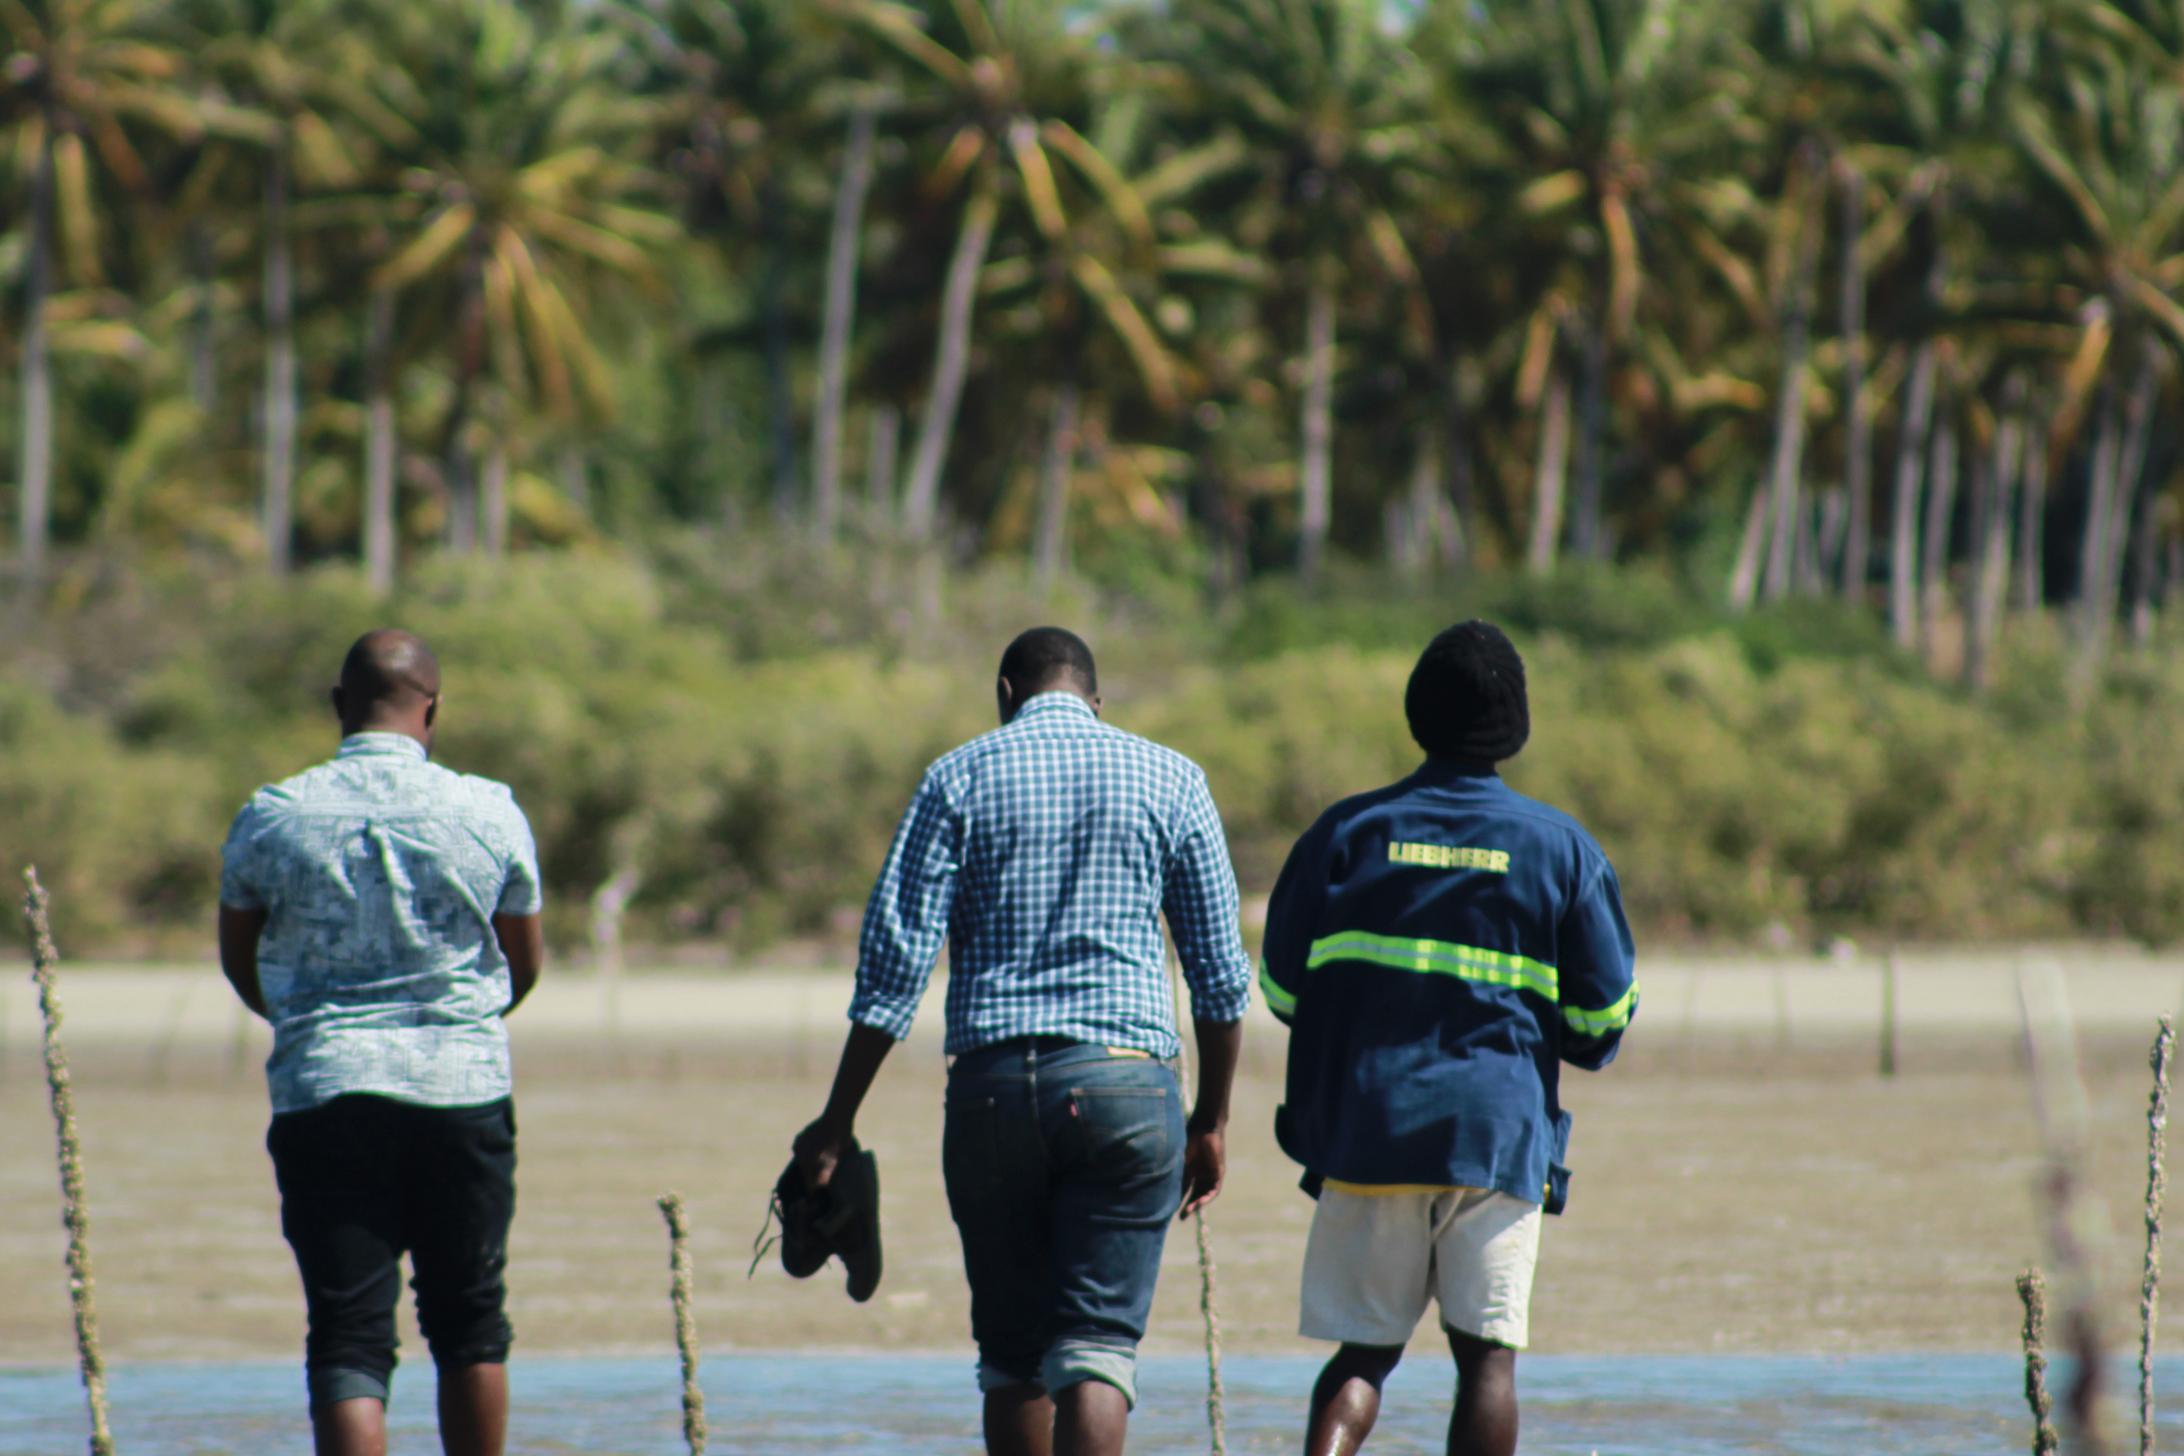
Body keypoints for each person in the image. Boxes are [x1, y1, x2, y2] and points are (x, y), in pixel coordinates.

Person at [793, 626, 1252, 1456]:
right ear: (1096, 700)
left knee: (1013, 1359)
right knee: (1099, 1349)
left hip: (992, 1092)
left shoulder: (956, 776)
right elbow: (1221, 979)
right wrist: (1211, 1120)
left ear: (1006, 694)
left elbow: (893, 972)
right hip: (1127, 1086)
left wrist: (835, 1124)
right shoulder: (1174, 778)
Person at [1259, 621, 1637, 1456]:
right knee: (1487, 1365)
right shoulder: (1561, 848)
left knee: (1363, 1355)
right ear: (1516, 724)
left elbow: (1283, 990)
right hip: (1497, 1139)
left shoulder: (1344, 833)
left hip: (1368, 1131)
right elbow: (1602, 1023)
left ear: (1416, 712)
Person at [217, 629, 545, 1456]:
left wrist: (309, 1023)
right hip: (461, 1090)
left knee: (348, 1334)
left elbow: (239, 956)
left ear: (338, 706)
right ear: (433, 709)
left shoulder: (273, 815)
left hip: (327, 1090)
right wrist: (460, 1024)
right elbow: (521, 964)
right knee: (470, 1319)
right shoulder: (488, 809)